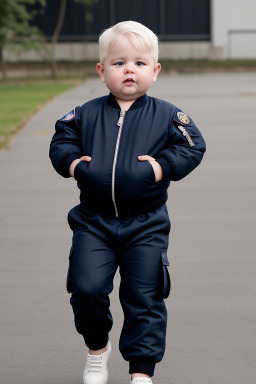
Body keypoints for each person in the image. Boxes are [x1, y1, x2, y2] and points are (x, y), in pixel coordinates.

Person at [49, 20, 206, 384]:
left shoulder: (168, 115)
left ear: (155, 70)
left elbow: (193, 146)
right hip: (94, 222)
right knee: (86, 289)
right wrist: (72, 163)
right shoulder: (84, 113)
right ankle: (96, 350)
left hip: (147, 224)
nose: (129, 70)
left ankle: (141, 372)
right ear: (103, 71)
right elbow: (60, 143)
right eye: (119, 63)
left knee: (144, 296)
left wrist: (161, 167)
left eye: (138, 62)